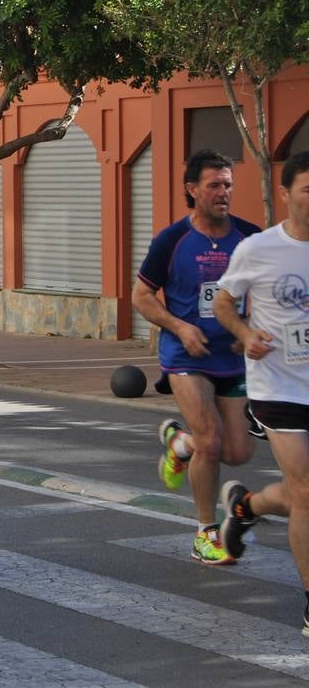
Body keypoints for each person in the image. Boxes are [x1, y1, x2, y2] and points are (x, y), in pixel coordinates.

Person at [133, 149, 259, 564]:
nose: (223, 192)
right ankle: (206, 532)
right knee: (211, 439)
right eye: (214, 185)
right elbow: (142, 296)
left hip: (232, 356)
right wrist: (180, 327)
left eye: (228, 185)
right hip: (187, 354)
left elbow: (262, 293)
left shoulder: (248, 237)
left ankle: (179, 443)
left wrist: (247, 330)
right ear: (192, 189)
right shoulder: (172, 240)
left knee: (238, 452)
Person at [213, 151, 309, 633]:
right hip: (278, 385)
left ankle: (244, 507)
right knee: (308, 490)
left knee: (300, 494)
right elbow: (225, 303)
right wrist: (246, 333)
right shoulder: (259, 248)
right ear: (287, 193)